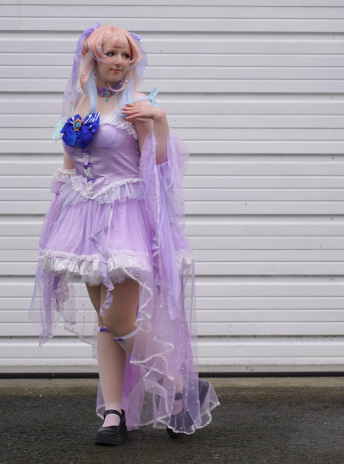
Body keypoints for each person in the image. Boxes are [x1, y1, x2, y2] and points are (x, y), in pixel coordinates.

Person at [28, 23, 219, 445]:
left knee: (118, 318)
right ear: (92, 56)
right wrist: (58, 209)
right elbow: (71, 161)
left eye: (125, 55)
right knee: (106, 322)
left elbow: (160, 163)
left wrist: (160, 121)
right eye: (110, 53)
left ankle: (178, 386)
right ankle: (113, 412)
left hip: (126, 218)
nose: (118, 61)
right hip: (84, 216)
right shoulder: (79, 100)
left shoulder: (137, 104)